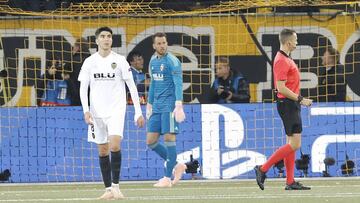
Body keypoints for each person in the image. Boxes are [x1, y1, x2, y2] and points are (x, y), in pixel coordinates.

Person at [78, 26, 145, 200]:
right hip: (96, 112)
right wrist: (86, 111)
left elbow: (132, 86)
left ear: (111, 40)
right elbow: (83, 88)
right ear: (97, 40)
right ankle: (108, 189)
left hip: (116, 109)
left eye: (109, 36)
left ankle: (116, 186)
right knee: (102, 151)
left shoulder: (120, 60)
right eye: (103, 36)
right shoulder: (89, 62)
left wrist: (138, 111)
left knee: (115, 145)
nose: (106, 39)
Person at [254, 28, 313, 191]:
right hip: (288, 104)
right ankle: (263, 169)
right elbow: (281, 88)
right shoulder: (281, 60)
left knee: (291, 143)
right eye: (296, 40)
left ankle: (289, 181)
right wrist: (301, 100)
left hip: (290, 104)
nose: (297, 42)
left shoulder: (285, 58)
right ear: (288, 42)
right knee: (295, 143)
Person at [146, 32, 187, 188]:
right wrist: (149, 105)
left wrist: (178, 105)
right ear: (154, 46)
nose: (162, 46)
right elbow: (154, 84)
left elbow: (178, 84)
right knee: (151, 141)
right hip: (157, 106)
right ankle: (178, 165)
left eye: (164, 43)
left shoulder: (172, 61)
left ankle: (166, 177)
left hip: (170, 106)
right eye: (159, 43)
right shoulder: (152, 61)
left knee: (169, 139)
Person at [64, 38, 90, 106]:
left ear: (78, 47)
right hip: (89, 93)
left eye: (74, 46)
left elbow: (63, 71)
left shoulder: (73, 60)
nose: (73, 48)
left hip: (75, 93)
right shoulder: (92, 60)